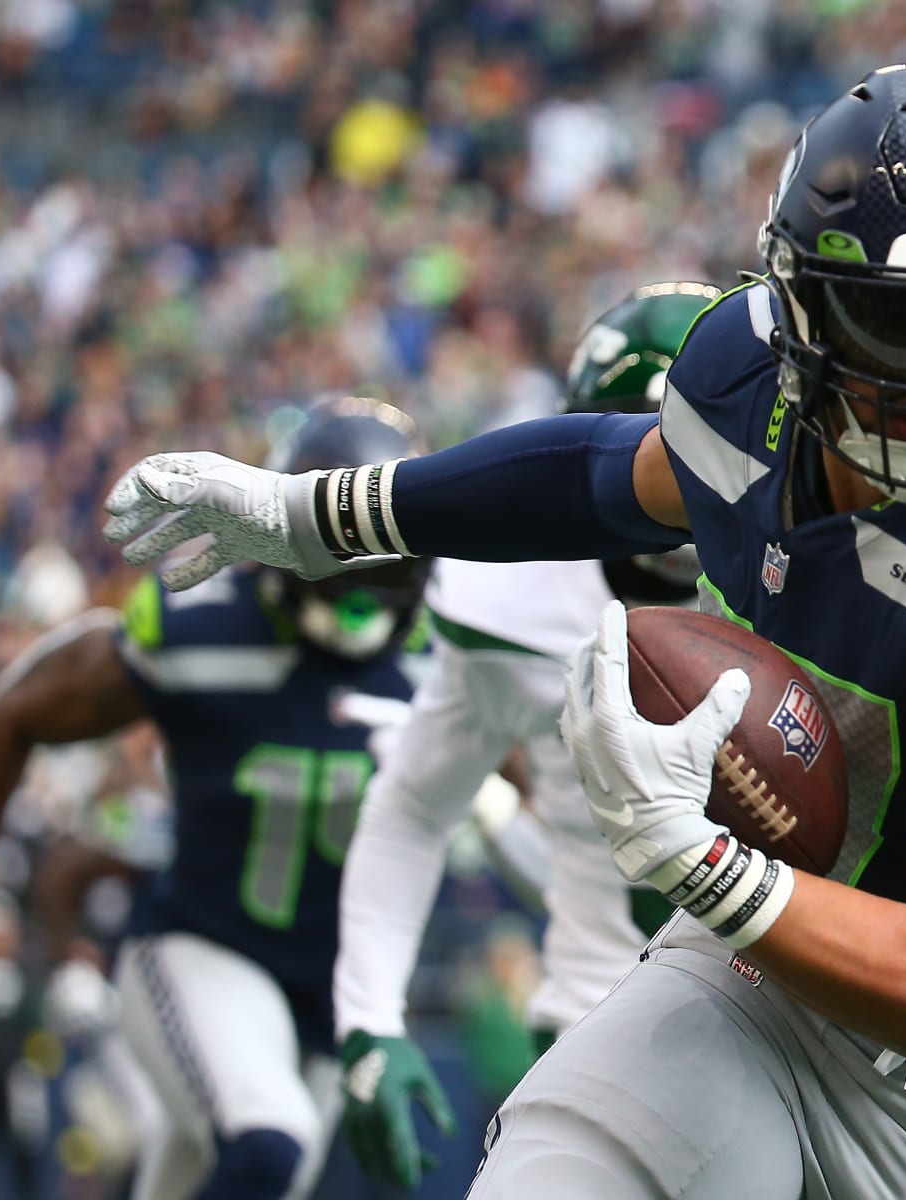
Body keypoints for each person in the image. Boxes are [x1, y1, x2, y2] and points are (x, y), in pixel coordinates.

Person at [105, 62, 906, 1200]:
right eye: (889, 321)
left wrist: (698, 859)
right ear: (797, 310)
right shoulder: (746, 393)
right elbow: (597, 471)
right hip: (749, 985)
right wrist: (317, 518)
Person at [0, 396, 435, 1200]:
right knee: (269, 1145)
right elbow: (15, 711)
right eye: (343, 576)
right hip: (206, 948)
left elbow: (541, 782)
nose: (361, 608)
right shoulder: (201, 627)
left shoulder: (449, 659)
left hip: (342, 988)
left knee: (242, 1172)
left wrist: (484, 797)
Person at [332, 282, 718, 1189]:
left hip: (811, 1042)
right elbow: (415, 807)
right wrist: (369, 1017)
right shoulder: (512, 602)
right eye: (652, 449)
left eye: (706, 452)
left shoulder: (829, 571)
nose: (680, 483)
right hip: (602, 1028)